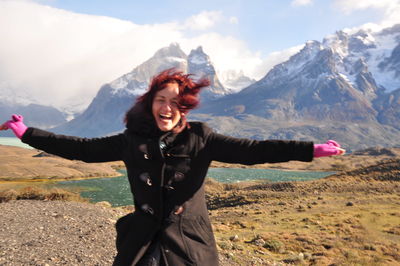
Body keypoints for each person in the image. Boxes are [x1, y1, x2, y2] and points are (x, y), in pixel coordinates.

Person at [0, 68, 345, 266]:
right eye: (160, 100)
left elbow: (254, 150)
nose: (167, 107)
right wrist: (26, 132)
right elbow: (83, 150)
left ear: (184, 108)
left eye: (175, 102)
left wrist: (311, 150)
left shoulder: (201, 137)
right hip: (143, 241)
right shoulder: (131, 139)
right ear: (151, 104)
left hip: (189, 242)